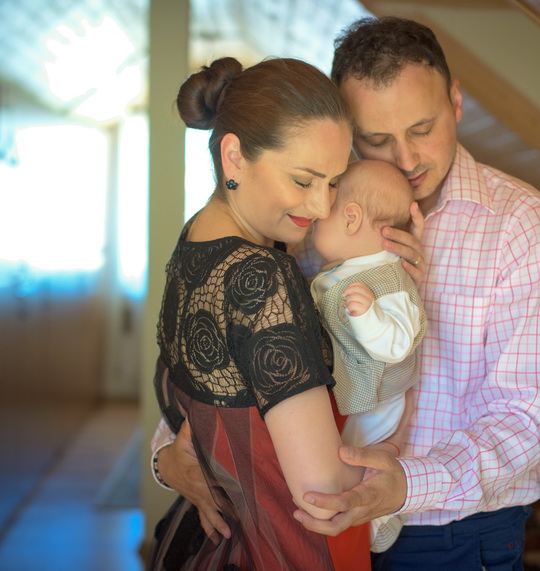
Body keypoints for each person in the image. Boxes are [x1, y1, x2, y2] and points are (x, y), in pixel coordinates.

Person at [155, 15, 540, 571]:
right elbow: (226, 349)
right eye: (376, 140)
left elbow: (522, 420)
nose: (405, 160)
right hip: (313, 524)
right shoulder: (314, 212)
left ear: (455, 101)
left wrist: (405, 483)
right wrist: (168, 456)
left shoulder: (523, 226)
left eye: (422, 129)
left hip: (452, 536)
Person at [147, 55, 372, 570]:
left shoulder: (195, 238)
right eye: (303, 180)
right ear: (234, 157)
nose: (321, 207)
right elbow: (323, 490)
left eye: (334, 182)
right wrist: (401, 463)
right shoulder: (260, 275)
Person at [309, 159, 427, 553]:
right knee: (343, 453)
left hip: (377, 401)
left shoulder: (389, 279)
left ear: (351, 218)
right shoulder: (344, 270)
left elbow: (398, 343)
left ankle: (379, 522)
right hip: (354, 392)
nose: (313, 224)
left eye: (320, 218)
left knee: (358, 459)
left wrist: (368, 317)